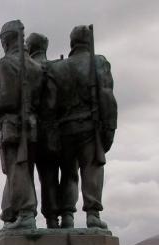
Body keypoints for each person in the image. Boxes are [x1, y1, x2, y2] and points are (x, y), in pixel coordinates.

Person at [54, 25, 117, 229]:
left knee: (68, 173)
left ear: (72, 43)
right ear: (88, 42)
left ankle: (67, 217)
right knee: (91, 169)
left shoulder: (57, 68)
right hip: (89, 126)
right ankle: (92, 214)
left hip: (63, 129)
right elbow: (107, 97)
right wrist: (109, 129)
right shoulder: (98, 62)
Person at [0, 20, 44, 230]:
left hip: (13, 125)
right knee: (22, 169)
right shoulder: (36, 66)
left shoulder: (6, 63)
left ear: (6, 39)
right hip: (34, 126)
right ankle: (11, 213)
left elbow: (7, 100)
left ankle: (26, 213)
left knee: (18, 168)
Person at [26, 32, 62, 229]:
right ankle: (53, 219)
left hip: (28, 129)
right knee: (50, 176)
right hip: (53, 130)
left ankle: (27, 217)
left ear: (30, 48)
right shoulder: (58, 68)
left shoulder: (27, 69)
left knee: (25, 174)